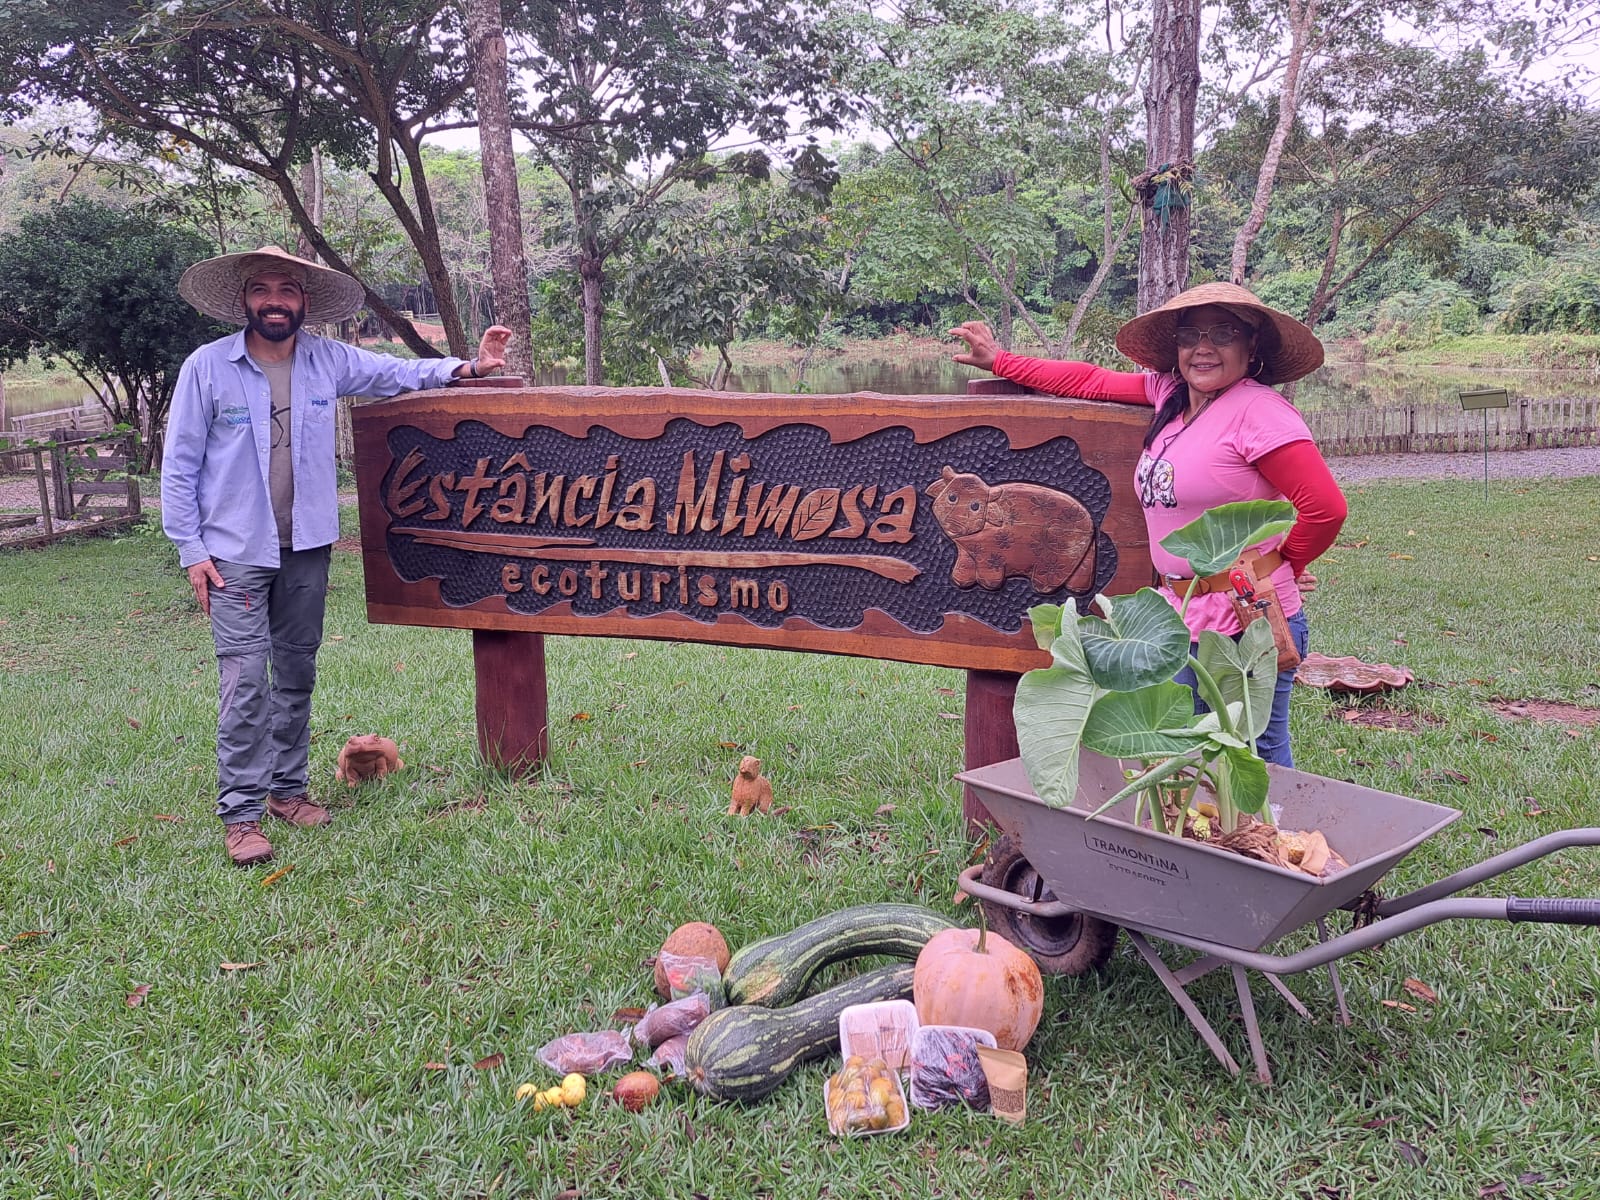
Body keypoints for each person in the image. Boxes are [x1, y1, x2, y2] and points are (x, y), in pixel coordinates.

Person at [162, 245, 513, 865]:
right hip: (234, 553)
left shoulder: (328, 361)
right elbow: (180, 464)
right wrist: (191, 549)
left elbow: (397, 373)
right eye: (263, 289)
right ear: (245, 299)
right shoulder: (206, 368)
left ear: (304, 302)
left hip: (307, 546)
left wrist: (470, 368)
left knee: (295, 673)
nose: (275, 300)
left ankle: (287, 792)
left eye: (288, 290)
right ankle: (242, 814)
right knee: (245, 681)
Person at [949, 281, 1347, 767]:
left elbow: (1325, 508)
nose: (1203, 348)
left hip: (1247, 618)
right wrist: (1002, 362)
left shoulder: (1259, 412)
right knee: (1183, 752)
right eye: (1189, 335)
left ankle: (1274, 842)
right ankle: (1195, 845)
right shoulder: (1170, 395)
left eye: (1223, 333)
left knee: (1252, 756)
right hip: (1177, 614)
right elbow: (1090, 381)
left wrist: (1283, 560)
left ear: (1252, 343)